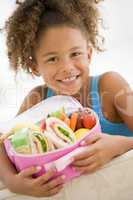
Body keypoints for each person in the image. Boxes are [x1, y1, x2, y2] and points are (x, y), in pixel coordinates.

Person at [0, 0, 133, 197]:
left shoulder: (111, 86)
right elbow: (4, 142)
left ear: (88, 54)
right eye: (52, 58)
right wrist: (12, 182)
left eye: (75, 53)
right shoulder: (38, 98)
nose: (67, 67)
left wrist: (117, 145)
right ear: (35, 66)